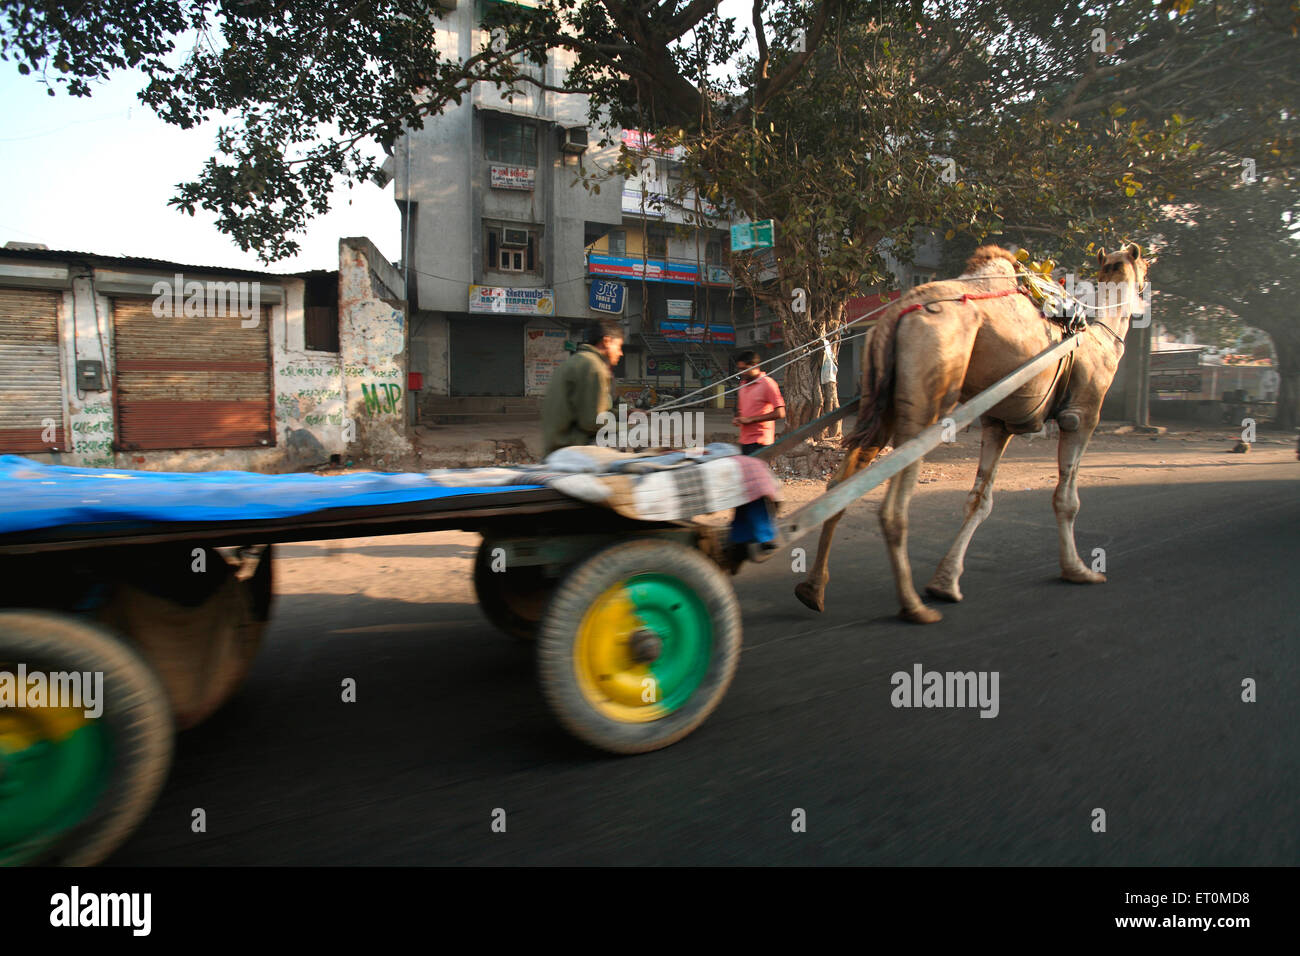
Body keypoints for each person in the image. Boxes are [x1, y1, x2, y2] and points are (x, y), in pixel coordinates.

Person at [541, 320, 623, 456]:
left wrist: (624, 414)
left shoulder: (576, 361)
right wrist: (629, 427)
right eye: (619, 347)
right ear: (607, 341)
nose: (620, 353)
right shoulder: (594, 367)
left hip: (554, 447)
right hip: (570, 450)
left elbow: (588, 410)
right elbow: (591, 422)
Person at [732, 351, 785, 454]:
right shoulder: (743, 384)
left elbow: (780, 413)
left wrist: (751, 420)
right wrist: (738, 419)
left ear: (755, 365)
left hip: (761, 442)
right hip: (745, 440)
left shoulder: (768, 384)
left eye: (744, 369)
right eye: (740, 369)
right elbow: (741, 410)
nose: (742, 372)